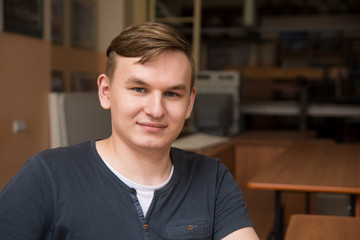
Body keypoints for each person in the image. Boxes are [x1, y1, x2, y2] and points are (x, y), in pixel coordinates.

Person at [0, 22, 259, 240]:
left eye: (172, 93)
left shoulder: (212, 179)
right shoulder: (46, 176)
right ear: (106, 92)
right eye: (139, 89)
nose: (156, 110)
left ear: (189, 103)